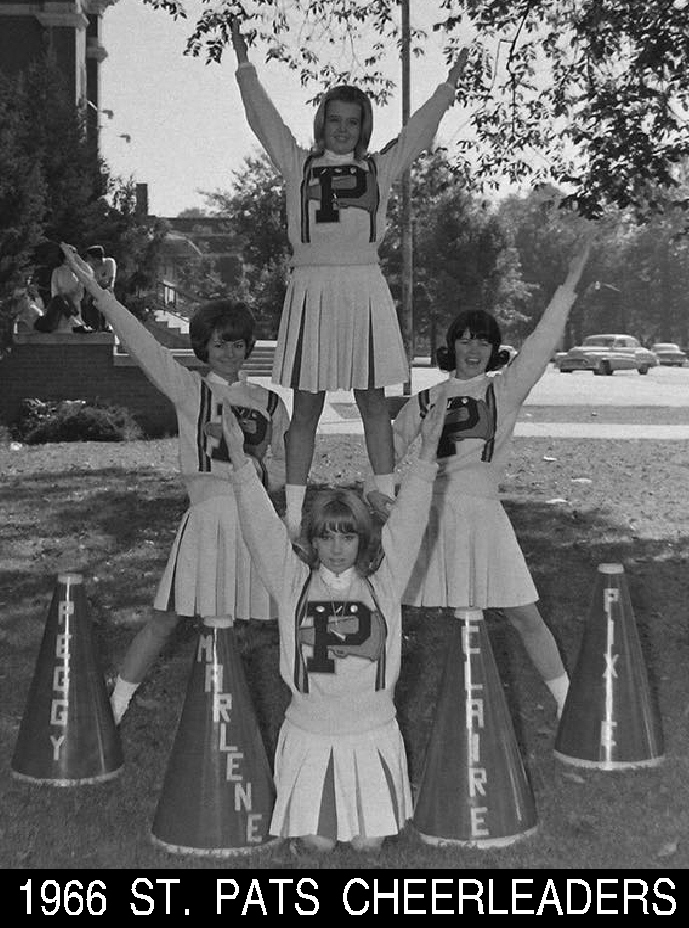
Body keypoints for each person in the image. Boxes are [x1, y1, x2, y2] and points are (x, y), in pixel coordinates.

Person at [230, 20, 469, 540]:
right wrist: (246, 67)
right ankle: (294, 517)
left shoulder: (380, 170)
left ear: (363, 127)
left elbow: (419, 132)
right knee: (307, 406)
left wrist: (447, 88)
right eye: (335, 120)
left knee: (372, 402)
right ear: (323, 122)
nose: (343, 129)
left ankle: (382, 502)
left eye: (352, 122)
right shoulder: (298, 165)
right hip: (311, 289)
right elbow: (263, 120)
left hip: (362, 287)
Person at [60, 243, 291, 725]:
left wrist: (275, 496)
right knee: (169, 613)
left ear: (248, 348)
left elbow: (286, 468)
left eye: (237, 344)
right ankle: (117, 703)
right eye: (219, 343)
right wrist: (101, 296)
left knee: (285, 614)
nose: (229, 352)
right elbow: (144, 346)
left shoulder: (270, 403)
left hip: (257, 519)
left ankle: (305, 708)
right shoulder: (192, 390)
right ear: (203, 346)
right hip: (207, 514)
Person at [220, 385, 446, 854]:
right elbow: (261, 527)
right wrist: (241, 465)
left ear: (363, 541)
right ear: (313, 541)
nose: (337, 547)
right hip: (311, 730)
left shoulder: (384, 584)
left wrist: (427, 455)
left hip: (371, 729)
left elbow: (409, 522)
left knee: (369, 845)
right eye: (327, 537)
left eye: (347, 537)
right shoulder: (293, 582)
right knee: (318, 844)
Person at [391, 243, 592, 721]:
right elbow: (384, 457)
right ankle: (375, 707)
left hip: (483, 511)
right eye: (465, 339)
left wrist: (567, 288)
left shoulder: (504, 390)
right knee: (390, 608)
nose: (474, 348)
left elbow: (542, 344)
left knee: (523, 612)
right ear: (451, 346)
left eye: (483, 340)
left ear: (493, 348)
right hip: (428, 514)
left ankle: (570, 706)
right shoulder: (426, 399)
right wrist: (376, 497)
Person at [82, 245, 116, 332]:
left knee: (105, 296)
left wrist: (102, 286)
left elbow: (110, 280)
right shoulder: (89, 266)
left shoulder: (109, 262)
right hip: (94, 290)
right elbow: (90, 282)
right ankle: (95, 326)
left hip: (105, 289)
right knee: (90, 302)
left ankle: (106, 325)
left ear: (96, 259)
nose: (88, 260)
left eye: (90, 258)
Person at [50, 251, 91, 325]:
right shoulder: (57, 271)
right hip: (63, 302)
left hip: (75, 301)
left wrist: (76, 296)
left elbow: (82, 283)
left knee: (76, 320)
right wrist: (61, 298)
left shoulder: (77, 270)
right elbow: (54, 287)